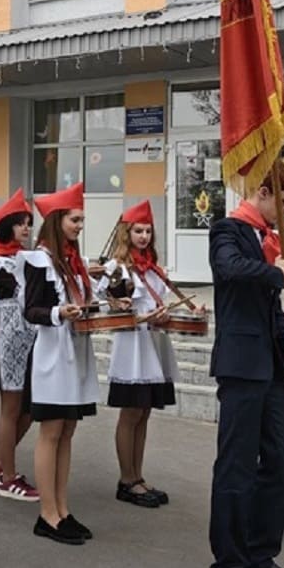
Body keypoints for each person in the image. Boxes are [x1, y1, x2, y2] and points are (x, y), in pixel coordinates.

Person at [207, 165, 284, 568]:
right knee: (236, 467)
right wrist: (276, 271)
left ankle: (259, 553)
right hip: (239, 366)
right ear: (265, 193)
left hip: (270, 367)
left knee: (283, 463)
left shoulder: (270, 240)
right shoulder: (228, 229)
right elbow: (229, 269)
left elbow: (274, 311)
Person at [20, 182, 99, 545]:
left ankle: (63, 509)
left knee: (68, 431)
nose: (80, 226)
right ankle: (46, 514)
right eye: (75, 220)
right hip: (52, 354)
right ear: (57, 220)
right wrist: (58, 312)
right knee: (51, 432)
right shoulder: (39, 258)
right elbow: (31, 310)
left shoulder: (72, 258)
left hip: (75, 352)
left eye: (82, 220)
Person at [98, 201, 179, 509]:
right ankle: (126, 479)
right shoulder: (117, 268)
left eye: (147, 231)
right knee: (130, 412)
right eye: (138, 231)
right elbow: (103, 302)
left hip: (153, 343)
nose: (143, 236)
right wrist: (124, 308)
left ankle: (138, 475)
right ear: (126, 233)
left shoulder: (153, 267)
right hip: (132, 346)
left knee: (144, 412)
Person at [0, 189, 40, 501]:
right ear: (7, 227)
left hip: (29, 339)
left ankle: (0, 462)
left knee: (29, 409)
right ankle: (8, 477)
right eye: (20, 223)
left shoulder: (24, 258)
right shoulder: (2, 262)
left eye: (29, 223)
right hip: (9, 340)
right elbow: (11, 302)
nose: (26, 229)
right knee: (12, 408)